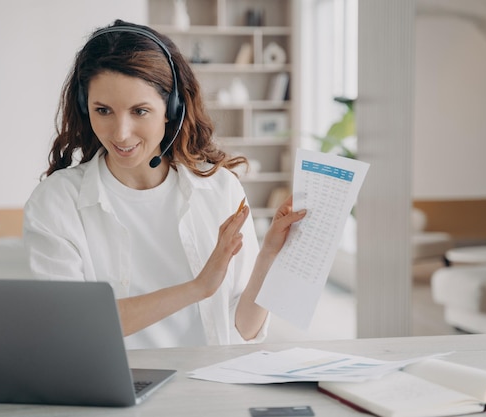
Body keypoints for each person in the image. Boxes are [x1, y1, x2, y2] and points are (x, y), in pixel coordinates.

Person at [23, 20, 306, 349]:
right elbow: (70, 325)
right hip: (112, 389)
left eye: (140, 111)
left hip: (206, 386)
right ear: (86, 109)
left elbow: (243, 330)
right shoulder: (57, 202)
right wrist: (198, 287)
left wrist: (270, 254)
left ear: (171, 109)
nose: (121, 133)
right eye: (103, 110)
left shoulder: (220, 189)